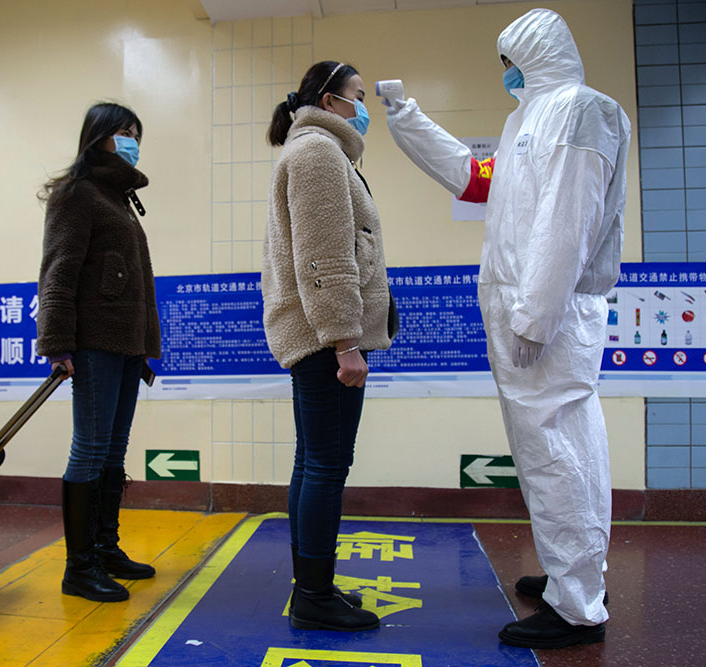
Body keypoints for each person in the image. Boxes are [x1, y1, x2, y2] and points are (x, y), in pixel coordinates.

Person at [382, 8, 630, 649]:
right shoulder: (527, 119)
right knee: (559, 448)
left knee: (555, 453)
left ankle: (577, 607)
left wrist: (537, 314)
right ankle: (572, 576)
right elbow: (473, 178)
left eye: (508, 60)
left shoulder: (582, 110)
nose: (505, 75)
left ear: (535, 53)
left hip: (544, 315)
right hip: (528, 309)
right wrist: (406, 118)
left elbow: (568, 220)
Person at [263, 61, 394, 632]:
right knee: (325, 465)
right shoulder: (318, 152)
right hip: (326, 338)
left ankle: (312, 585)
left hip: (318, 334)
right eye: (359, 96)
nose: (365, 107)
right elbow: (325, 256)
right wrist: (345, 341)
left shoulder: (319, 150)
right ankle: (313, 595)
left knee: (311, 461)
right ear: (329, 98)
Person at [36, 102, 161, 602]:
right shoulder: (77, 194)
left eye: (136, 133)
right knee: (89, 449)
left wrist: (145, 345)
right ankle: (79, 567)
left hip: (127, 345)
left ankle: (105, 549)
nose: (131, 141)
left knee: (113, 451)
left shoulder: (120, 198)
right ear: (98, 137)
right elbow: (59, 271)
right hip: (92, 344)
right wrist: (57, 343)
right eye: (123, 132)